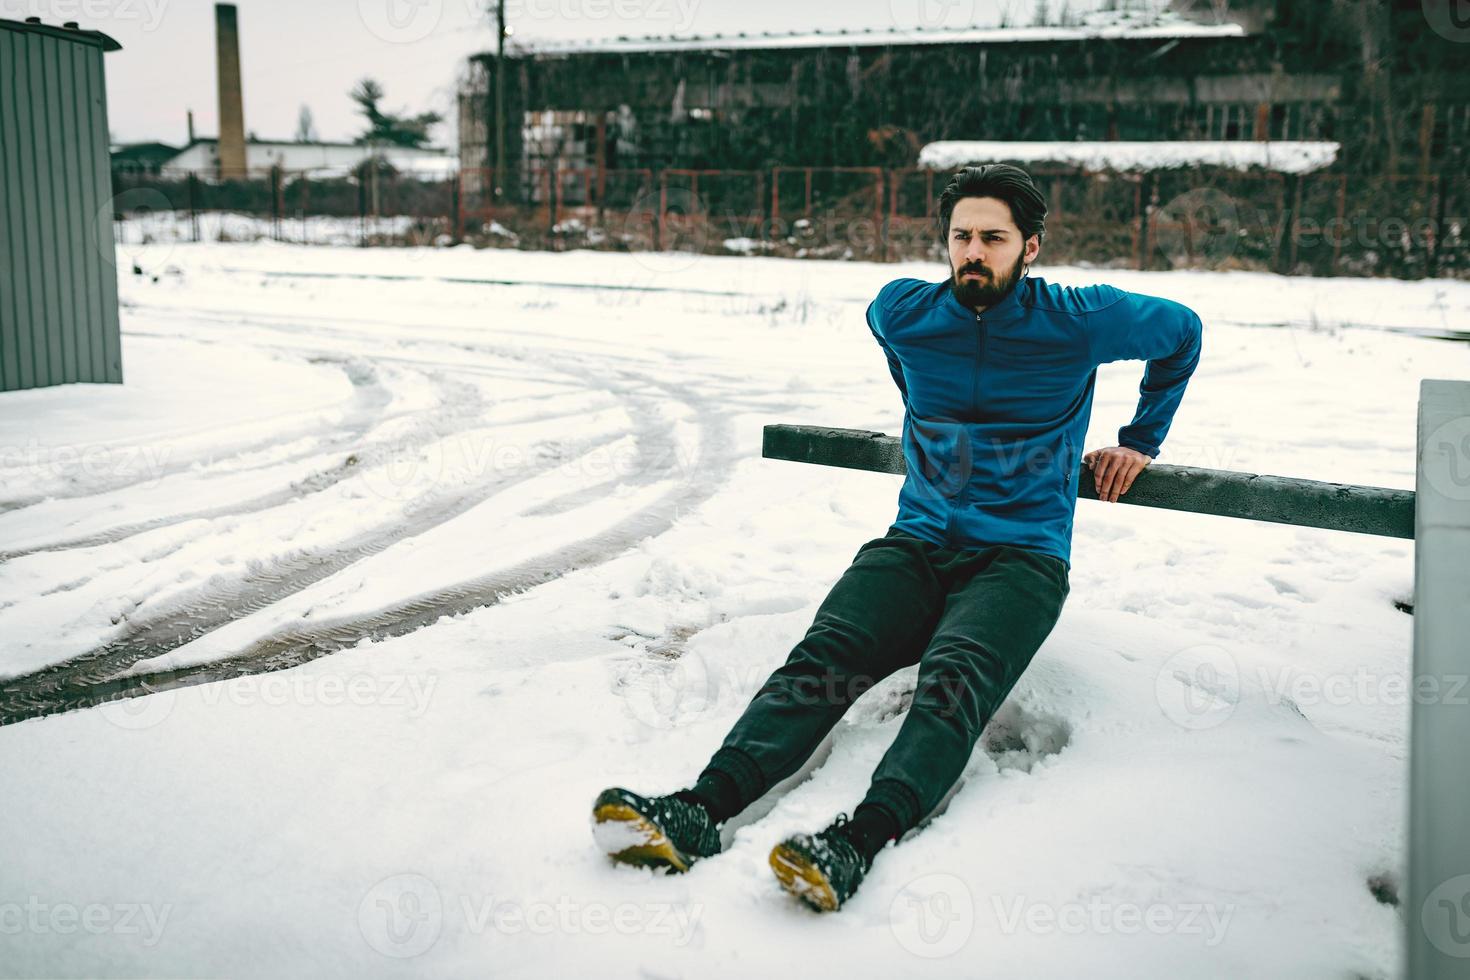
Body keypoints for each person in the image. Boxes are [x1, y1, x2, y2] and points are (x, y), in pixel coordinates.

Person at [591, 163, 1204, 912]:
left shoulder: (1083, 319)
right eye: (962, 236)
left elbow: (1183, 334)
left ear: (1031, 247)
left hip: (1022, 557)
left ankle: (856, 844)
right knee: (821, 660)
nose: (974, 251)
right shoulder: (904, 311)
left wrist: (1140, 439)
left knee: (953, 683)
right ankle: (698, 810)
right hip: (915, 541)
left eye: (994, 238)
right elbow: (905, 367)